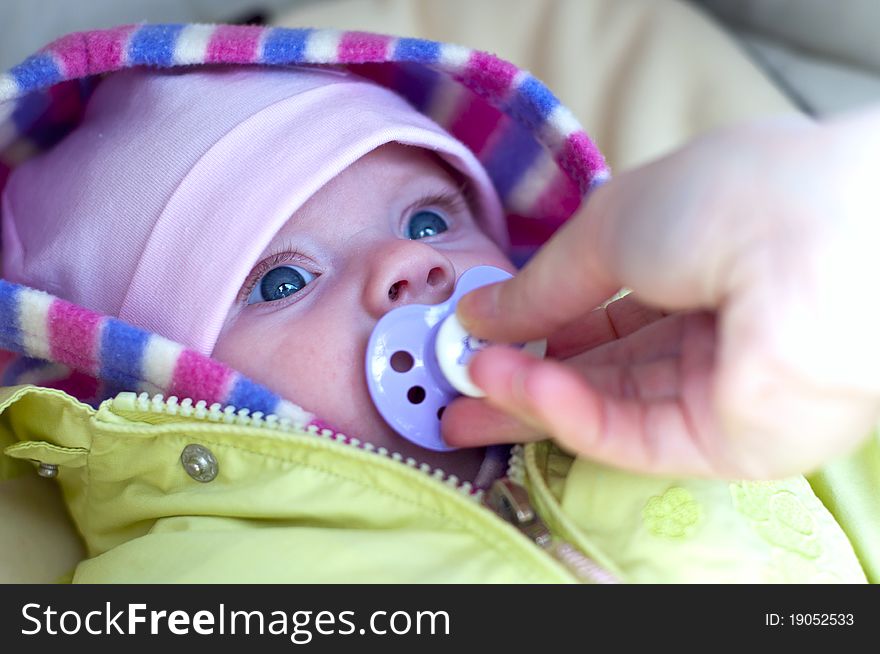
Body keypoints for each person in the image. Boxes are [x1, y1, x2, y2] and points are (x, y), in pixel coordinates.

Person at [0, 24, 869, 583]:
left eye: (428, 217)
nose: (408, 265)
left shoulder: (701, 384)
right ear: (170, 386)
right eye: (282, 280)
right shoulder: (185, 583)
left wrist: (836, 257)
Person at [445, 111, 880, 481]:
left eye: (427, 224)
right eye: (370, 258)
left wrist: (845, 235)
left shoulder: (806, 375)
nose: (406, 259)